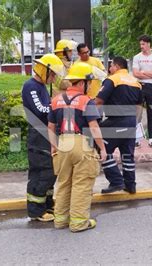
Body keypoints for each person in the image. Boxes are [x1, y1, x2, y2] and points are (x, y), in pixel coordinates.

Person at [48, 62, 107, 232]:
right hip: (82, 143)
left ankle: (60, 220)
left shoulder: (56, 100)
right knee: (82, 183)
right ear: (82, 83)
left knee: (63, 183)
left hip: (62, 144)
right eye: (89, 83)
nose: (90, 86)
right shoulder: (86, 101)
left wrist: (53, 146)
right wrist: (102, 148)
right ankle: (79, 222)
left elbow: (51, 127)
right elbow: (94, 127)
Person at [21, 53, 64, 222]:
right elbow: (40, 110)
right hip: (38, 135)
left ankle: (47, 204)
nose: (53, 78)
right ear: (43, 70)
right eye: (52, 73)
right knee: (41, 172)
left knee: (51, 170)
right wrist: (56, 106)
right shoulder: (30, 86)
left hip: (47, 134)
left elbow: (47, 108)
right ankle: (35, 211)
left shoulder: (41, 87)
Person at [96, 56, 143, 194]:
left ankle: (116, 181)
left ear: (116, 66)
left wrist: (90, 117)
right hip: (131, 122)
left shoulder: (112, 80)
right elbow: (139, 106)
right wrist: (135, 123)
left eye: (110, 66)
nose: (109, 69)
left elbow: (98, 101)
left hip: (115, 121)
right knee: (127, 155)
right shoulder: (136, 83)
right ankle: (130, 185)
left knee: (102, 148)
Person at [132, 34, 152, 147]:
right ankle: (136, 139)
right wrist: (150, 74)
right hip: (139, 86)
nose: (141, 46)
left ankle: (151, 139)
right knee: (137, 114)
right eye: (140, 44)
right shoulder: (137, 57)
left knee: (151, 113)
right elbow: (135, 73)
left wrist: (143, 73)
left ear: (149, 44)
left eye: (143, 44)